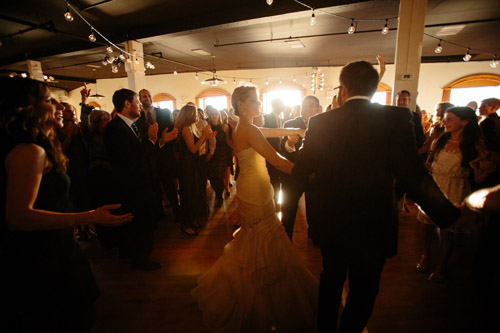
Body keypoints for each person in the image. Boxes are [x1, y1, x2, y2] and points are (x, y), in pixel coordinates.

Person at [292, 61, 461, 332]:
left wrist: (287, 222)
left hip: (330, 221)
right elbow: (413, 176)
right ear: (374, 88)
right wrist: (449, 215)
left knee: (331, 279)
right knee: (364, 287)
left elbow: (300, 174)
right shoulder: (395, 118)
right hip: (374, 222)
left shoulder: (321, 122)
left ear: (344, 89)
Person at [0, 76, 132, 331]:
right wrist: (89, 216)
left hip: (52, 248)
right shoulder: (29, 151)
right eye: (50, 101)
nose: (60, 107)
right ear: (27, 109)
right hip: (43, 256)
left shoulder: (35, 146)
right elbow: (18, 217)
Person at [191, 86, 317, 332]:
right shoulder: (247, 128)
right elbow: (276, 160)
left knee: (256, 237)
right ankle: (263, 289)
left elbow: (269, 131)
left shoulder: (245, 126)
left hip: (254, 186)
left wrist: (296, 129)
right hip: (255, 191)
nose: (260, 105)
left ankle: (261, 282)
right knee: (264, 236)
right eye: (255, 101)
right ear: (241, 105)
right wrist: (309, 175)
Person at [103, 88, 176, 271]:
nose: (140, 105)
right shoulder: (115, 129)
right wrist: (152, 140)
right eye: (137, 101)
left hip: (143, 182)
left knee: (144, 223)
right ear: (127, 104)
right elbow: (130, 160)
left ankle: (137, 255)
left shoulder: (135, 124)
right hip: (131, 186)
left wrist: (160, 142)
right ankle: (140, 260)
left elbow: (144, 154)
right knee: (142, 224)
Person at [416, 107, 482, 282]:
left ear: (464, 122)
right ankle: (425, 255)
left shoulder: (473, 146)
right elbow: (429, 162)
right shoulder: (439, 141)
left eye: (450, 119)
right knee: (425, 226)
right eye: (445, 119)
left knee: (447, 231)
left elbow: (479, 175)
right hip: (435, 186)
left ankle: (442, 265)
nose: (445, 122)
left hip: (456, 188)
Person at [280, 95, 322, 240]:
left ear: (318, 109)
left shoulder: (325, 125)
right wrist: (290, 144)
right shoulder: (290, 123)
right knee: (289, 207)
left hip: (316, 174)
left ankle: (315, 235)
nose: (307, 109)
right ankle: (287, 237)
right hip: (295, 172)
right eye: (304, 105)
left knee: (315, 208)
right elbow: (282, 149)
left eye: (311, 106)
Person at [139, 89, 180, 220]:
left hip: (164, 156)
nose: (147, 98)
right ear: (140, 99)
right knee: (154, 187)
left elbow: (172, 132)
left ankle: (176, 209)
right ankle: (159, 213)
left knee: (169, 185)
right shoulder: (138, 118)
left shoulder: (164, 112)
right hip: (148, 158)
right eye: (144, 96)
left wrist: (165, 140)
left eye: (149, 96)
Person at [174, 104, 215, 236]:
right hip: (187, 165)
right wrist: (204, 136)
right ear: (190, 115)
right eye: (195, 113)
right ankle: (185, 224)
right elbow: (192, 149)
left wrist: (206, 137)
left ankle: (191, 220)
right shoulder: (186, 128)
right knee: (187, 194)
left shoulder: (190, 127)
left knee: (193, 193)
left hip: (192, 164)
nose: (198, 115)